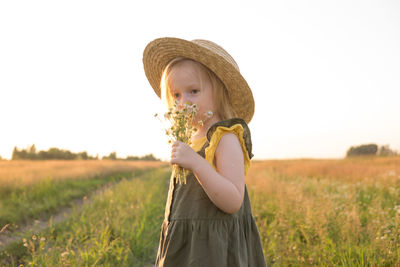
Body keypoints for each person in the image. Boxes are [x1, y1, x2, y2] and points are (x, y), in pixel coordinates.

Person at [143, 37, 267, 267]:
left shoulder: (225, 137)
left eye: (193, 91)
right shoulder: (191, 139)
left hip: (213, 250)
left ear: (220, 91)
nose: (183, 103)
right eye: (176, 95)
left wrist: (196, 164)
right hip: (187, 241)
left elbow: (232, 201)